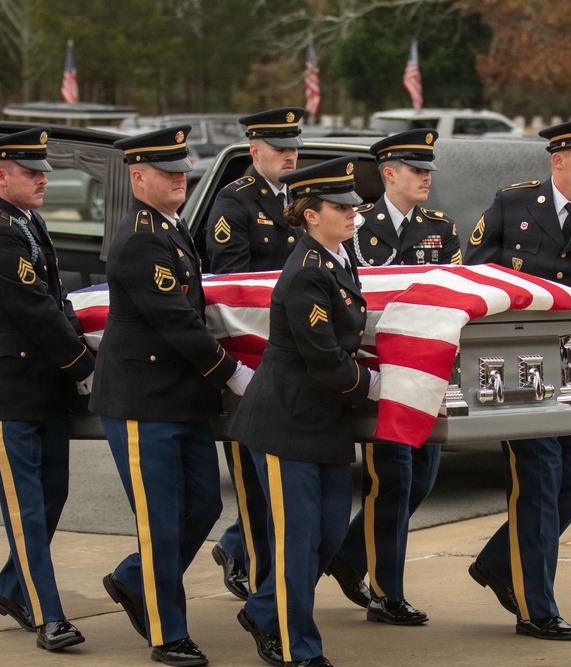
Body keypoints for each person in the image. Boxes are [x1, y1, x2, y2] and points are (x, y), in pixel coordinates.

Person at [464, 114, 571, 640]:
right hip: (523, 368)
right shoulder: (512, 205)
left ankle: (498, 561)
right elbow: (477, 275)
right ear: (558, 160)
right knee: (537, 484)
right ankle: (535, 607)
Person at [90, 125, 253, 667]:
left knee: (204, 504)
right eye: (168, 171)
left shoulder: (170, 228)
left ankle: (135, 579)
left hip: (179, 400)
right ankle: (168, 634)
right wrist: (231, 372)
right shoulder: (140, 238)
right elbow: (176, 322)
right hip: (143, 402)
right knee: (160, 519)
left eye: (184, 169)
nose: (181, 178)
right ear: (138, 177)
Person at [230, 157, 379, 667]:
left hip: (325, 423)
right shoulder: (305, 274)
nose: (352, 215)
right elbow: (323, 358)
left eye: (353, 207)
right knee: (298, 542)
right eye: (340, 208)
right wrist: (377, 386)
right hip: (284, 423)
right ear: (311, 214)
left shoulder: (339, 260)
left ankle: (263, 609)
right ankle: (298, 649)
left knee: (330, 534)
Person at [0, 127, 93, 651]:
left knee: (52, 496)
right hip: (10, 392)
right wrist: (86, 363)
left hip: (43, 389)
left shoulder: (28, 223)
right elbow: (35, 311)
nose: (44, 180)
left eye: (43, 171)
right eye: (32, 172)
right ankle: (49, 617)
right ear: (1, 176)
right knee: (28, 509)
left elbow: (53, 299)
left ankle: (11, 589)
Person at [325, 129, 460, 626]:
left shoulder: (440, 229)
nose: (425, 178)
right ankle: (388, 593)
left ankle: (348, 556)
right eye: (416, 170)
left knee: (421, 478)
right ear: (388, 174)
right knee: (393, 480)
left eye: (428, 171)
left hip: (425, 373)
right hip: (378, 374)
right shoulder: (357, 225)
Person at [205, 107, 305, 603]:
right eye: (278, 148)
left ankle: (236, 545)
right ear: (254, 152)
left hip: (296, 354)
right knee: (255, 475)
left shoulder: (304, 198)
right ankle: (263, 581)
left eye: (293, 147)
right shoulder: (235, 203)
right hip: (253, 358)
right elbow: (231, 289)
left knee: (281, 474)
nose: (289, 155)